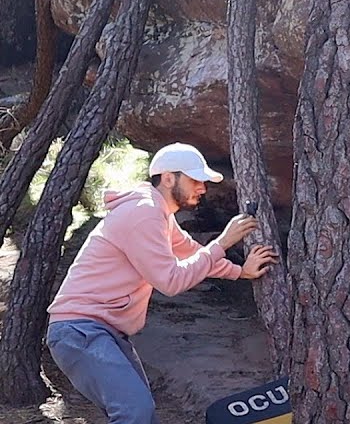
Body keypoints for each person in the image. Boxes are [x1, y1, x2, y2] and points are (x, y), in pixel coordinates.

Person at [46, 142, 279, 424]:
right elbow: (170, 281)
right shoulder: (143, 213)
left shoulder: (159, 215)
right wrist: (223, 242)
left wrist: (240, 271)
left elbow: (192, 252)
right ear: (168, 178)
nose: (202, 188)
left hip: (100, 332)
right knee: (135, 412)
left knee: (142, 416)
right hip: (81, 331)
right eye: (195, 179)